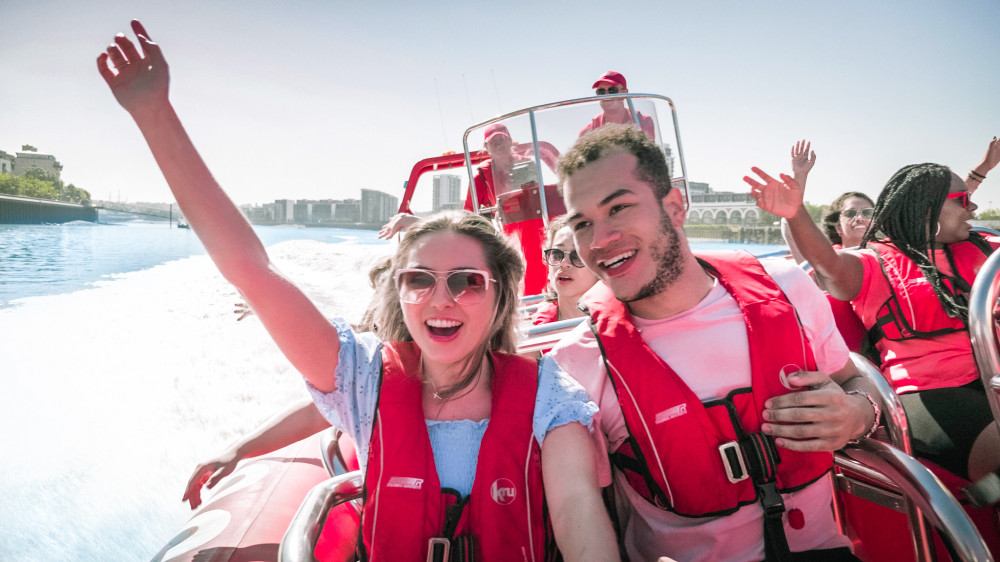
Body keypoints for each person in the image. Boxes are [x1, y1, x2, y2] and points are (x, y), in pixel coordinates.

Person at [97, 21, 616, 561]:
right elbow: (250, 270)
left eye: (466, 282)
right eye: (419, 280)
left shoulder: (549, 399)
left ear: (500, 296)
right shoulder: (363, 380)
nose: (441, 299)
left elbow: (578, 510)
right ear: (399, 292)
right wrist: (153, 113)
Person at [548, 124, 878, 561]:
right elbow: (578, 507)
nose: (600, 239)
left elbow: (853, 380)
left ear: (675, 206)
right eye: (583, 223)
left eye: (620, 208)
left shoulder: (787, 288)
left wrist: (858, 414)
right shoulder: (576, 364)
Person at [746, 140, 1000, 486]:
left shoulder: (983, 250)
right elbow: (829, 266)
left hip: (989, 379)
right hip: (925, 394)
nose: (972, 207)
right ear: (928, 211)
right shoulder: (873, 263)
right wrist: (796, 213)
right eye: (962, 201)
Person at [533, 219, 599, 325]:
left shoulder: (622, 323)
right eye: (557, 254)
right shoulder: (534, 331)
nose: (564, 263)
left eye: (577, 255)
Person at [578, 71, 655, 140]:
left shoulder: (643, 122)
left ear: (625, 93)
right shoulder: (586, 133)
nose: (606, 95)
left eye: (612, 90)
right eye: (601, 91)